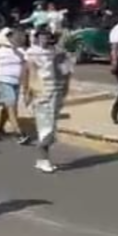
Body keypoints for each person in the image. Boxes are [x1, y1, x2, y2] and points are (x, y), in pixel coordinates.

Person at [23, 28, 70, 174]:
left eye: (48, 37)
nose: (45, 40)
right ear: (37, 38)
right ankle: (44, 159)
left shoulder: (58, 52)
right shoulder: (32, 52)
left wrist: (65, 90)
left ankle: (41, 159)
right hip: (41, 92)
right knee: (46, 127)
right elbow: (28, 72)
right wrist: (27, 92)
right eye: (42, 37)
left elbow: (66, 72)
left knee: (51, 126)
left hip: (56, 92)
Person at [0, 28, 29, 144]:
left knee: (7, 107)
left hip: (16, 82)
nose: (17, 39)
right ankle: (18, 132)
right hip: (3, 81)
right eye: (13, 37)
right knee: (11, 106)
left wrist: (26, 87)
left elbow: (26, 69)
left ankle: (0, 128)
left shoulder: (22, 52)